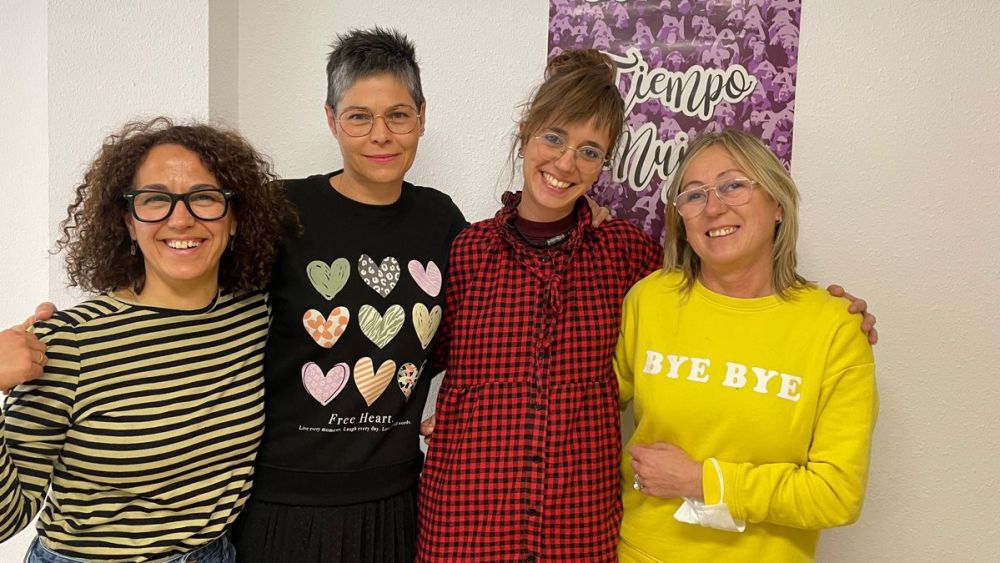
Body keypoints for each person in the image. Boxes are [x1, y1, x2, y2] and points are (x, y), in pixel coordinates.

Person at [0, 117, 294, 562]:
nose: (181, 219)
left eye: (204, 197)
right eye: (155, 200)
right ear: (129, 221)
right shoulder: (68, 344)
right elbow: (6, 518)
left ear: (235, 218)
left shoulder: (254, 314)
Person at [228, 28, 467, 563]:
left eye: (398, 115)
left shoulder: (440, 219)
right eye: (359, 116)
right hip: (285, 503)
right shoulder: (280, 210)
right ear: (332, 119)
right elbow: (194, 295)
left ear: (421, 117)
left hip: (398, 501)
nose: (381, 135)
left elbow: (485, 317)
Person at [416, 49, 665, 561]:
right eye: (553, 138)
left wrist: (812, 307)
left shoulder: (626, 253)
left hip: (577, 521)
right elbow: (415, 352)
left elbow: (709, 309)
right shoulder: (468, 251)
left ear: (604, 162)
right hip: (466, 517)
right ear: (526, 133)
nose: (566, 163)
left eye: (589, 151)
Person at [615, 130, 877, 562]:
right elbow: (583, 412)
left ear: (778, 204)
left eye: (733, 185)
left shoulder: (836, 328)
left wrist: (702, 480)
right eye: (693, 195)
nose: (713, 207)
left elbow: (836, 494)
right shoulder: (650, 300)